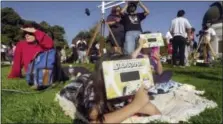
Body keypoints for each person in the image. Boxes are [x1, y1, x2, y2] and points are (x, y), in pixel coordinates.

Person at [59, 54, 161, 123]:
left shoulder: (131, 87)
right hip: (77, 86)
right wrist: (135, 105)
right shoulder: (93, 87)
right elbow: (94, 119)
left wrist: (143, 104)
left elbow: (157, 113)